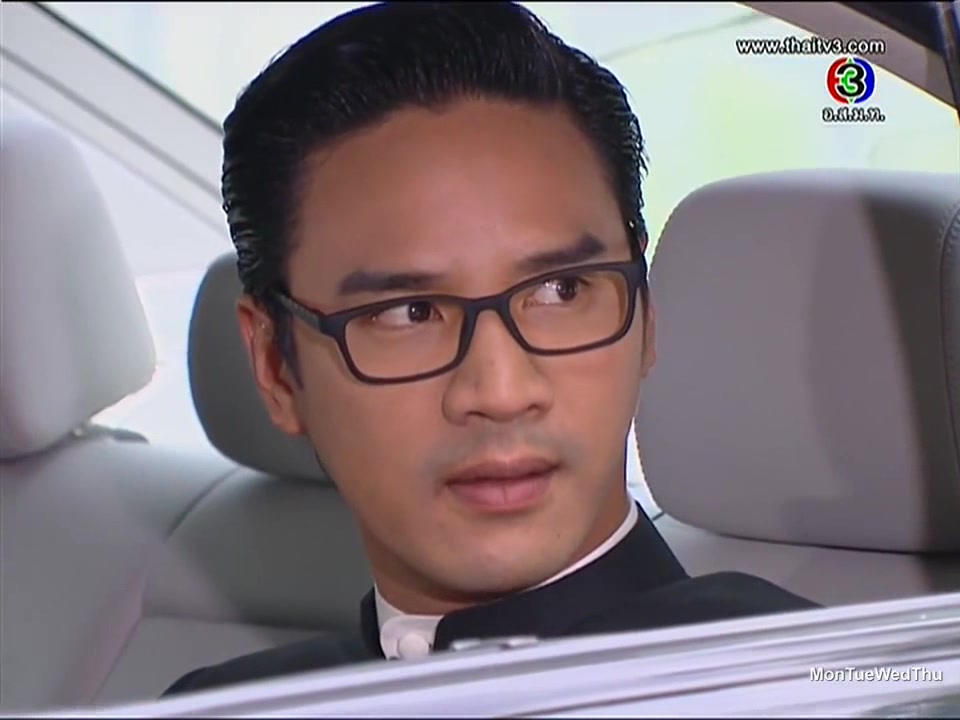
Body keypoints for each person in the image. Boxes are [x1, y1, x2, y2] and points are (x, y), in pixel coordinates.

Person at [165, 1, 815, 696]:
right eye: (409, 313)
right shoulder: (220, 707)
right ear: (275, 368)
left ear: (647, 315)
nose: (501, 392)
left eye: (562, 291)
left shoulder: (808, 689)